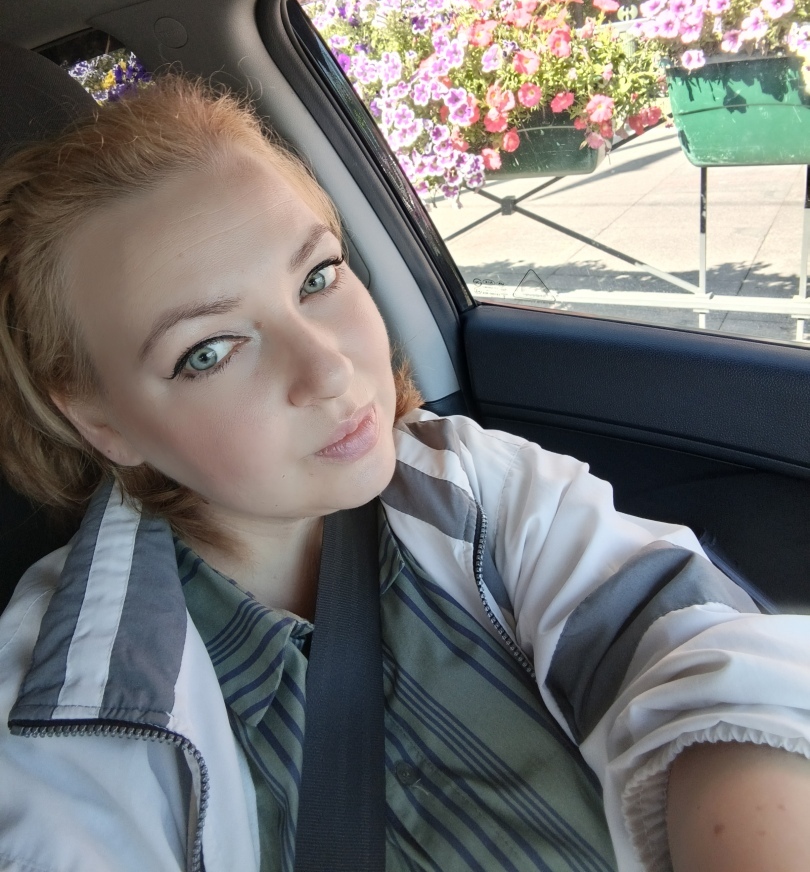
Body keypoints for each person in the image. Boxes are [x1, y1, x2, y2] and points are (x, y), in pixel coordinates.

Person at [0, 75, 808, 872]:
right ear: (100, 422)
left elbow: (691, 648)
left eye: (318, 277)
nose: (329, 370)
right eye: (208, 351)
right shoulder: (60, 715)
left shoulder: (470, 480)